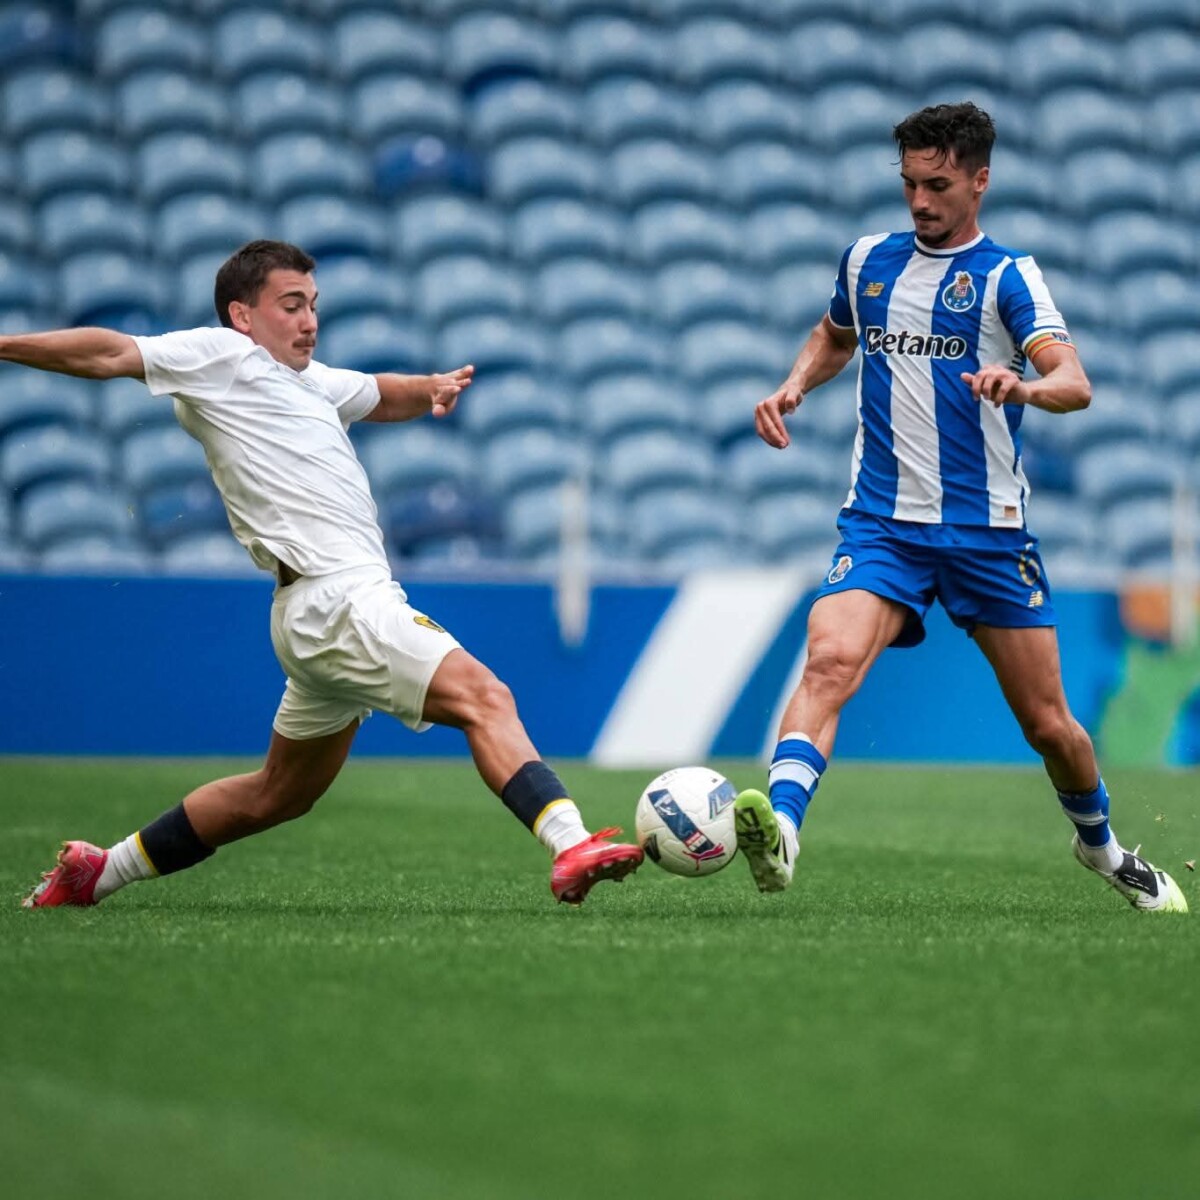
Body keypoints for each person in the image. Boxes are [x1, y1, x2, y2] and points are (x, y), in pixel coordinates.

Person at [14, 239, 642, 909]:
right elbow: (109, 352)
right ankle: (572, 842)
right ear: (243, 315)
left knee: (277, 793)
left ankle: (98, 871)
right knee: (485, 697)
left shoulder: (309, 384)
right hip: (340, 599)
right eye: (291, 305)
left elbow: (378, 394)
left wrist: (430, 388)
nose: (309, 320)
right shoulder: (224, 358)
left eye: (313, 305)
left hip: (318, 608)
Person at [731, 102, 1187, 914]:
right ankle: (786, 831)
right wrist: (795, 382)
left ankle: (1103, 848)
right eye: (908, 183)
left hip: (987, 533)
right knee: (829, 662)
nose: (918, 201)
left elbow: (1075, 383)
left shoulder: (1010, 278)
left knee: (1051, 728)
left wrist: (1025, 385)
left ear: (980, 181)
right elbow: (837, 334)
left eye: (936, 184)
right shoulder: (868, 261)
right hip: (882, 524)